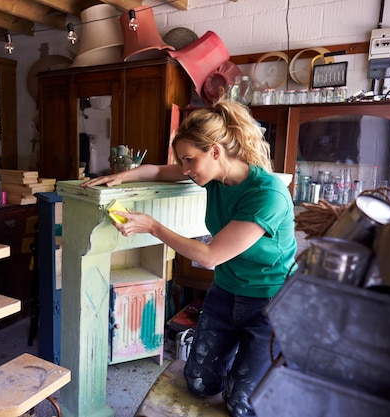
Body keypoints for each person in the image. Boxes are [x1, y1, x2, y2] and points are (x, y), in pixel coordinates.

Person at [81, 99, 297, 417]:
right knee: (198, 383)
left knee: (241, 403)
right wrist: (122, 178)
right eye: (182, 161)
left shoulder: (267, 195)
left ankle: (264, 368)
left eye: (189, 160)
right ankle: (246, 364)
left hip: (269, 304)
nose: (185, 169)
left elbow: (210, 256)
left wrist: (152, 226)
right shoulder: (213, 177)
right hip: (225, 293)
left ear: (215, 151)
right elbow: (158, 170)